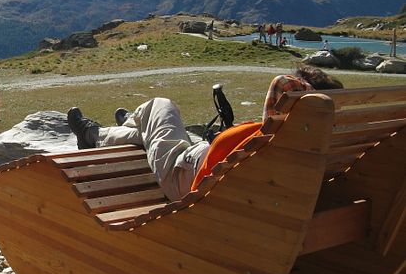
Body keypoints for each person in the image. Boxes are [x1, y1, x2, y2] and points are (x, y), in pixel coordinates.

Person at [67, 66, 343, 202]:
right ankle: (124, 127)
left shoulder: (282, 135)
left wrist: (306, 100)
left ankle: (97, 134)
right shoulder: (314, 148)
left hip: (184, 177)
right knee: (155, 128)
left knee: (160, 105)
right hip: (198, 159)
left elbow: (283, 83)